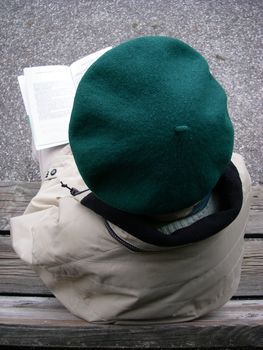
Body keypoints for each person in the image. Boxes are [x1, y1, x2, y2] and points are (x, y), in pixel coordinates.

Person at [10, 36, 251, 324]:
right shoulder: (240, 175)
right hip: (210, 294)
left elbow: (28, 236)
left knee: (47, 152)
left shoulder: (72, 233)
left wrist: (58, 168)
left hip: (116, 307)